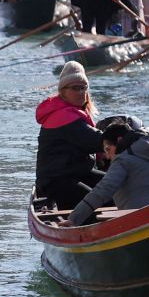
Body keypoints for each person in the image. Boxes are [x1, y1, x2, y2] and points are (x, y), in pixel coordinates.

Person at [67, 117, 149, 225]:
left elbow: (104, 190)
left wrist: (73, 219)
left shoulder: (122, 159)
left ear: (119, 140)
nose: (106, 156)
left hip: (142, 218)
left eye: (107, 149)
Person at [35, 62, 102, 211]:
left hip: (78, 173)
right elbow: (96, 142)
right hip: (57, 181)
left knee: (118, 184)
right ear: (63, 91)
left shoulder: (73, 111)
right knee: (102, 200)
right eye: (75, 88)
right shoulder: (63, 116)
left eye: (83, 87)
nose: (80, 92)